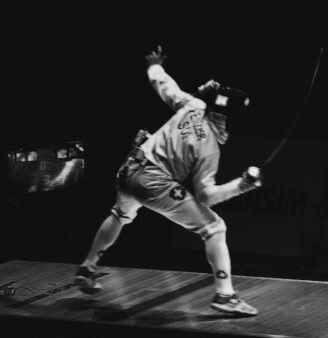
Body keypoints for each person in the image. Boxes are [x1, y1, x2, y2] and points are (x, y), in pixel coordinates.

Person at [74, 45, 263, 316]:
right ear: (226, 121)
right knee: (214, 228)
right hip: (153, 181)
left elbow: (164, 86)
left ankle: (88, 267)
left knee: (120, 215)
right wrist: (242, 185)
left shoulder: (194, 105)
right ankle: (225, 295)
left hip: (129, 167)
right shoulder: (209, 147)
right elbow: (207, 197)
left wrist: (155, 65)